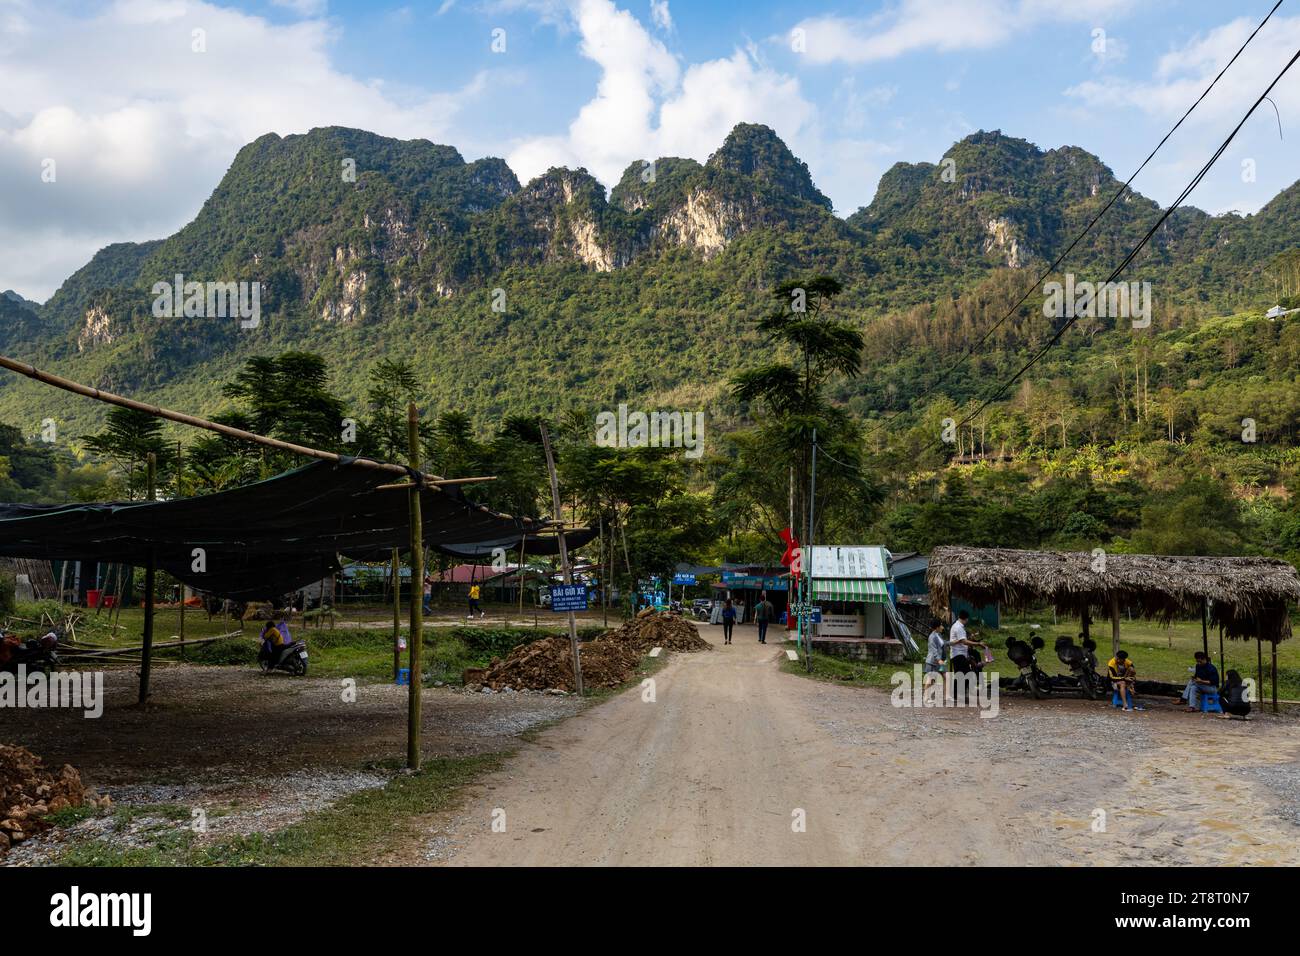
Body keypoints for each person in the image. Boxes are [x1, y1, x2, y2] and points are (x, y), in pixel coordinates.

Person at [948, 610, 985, 703]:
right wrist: (977, 643)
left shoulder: (957, 626)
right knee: (967, 674)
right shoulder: (959, 627)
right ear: (966, 618)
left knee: (961, 674)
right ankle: (959, 695)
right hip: (958, 654)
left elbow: (963, 641)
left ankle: (956, 695)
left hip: (959, 654)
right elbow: (964, 641)